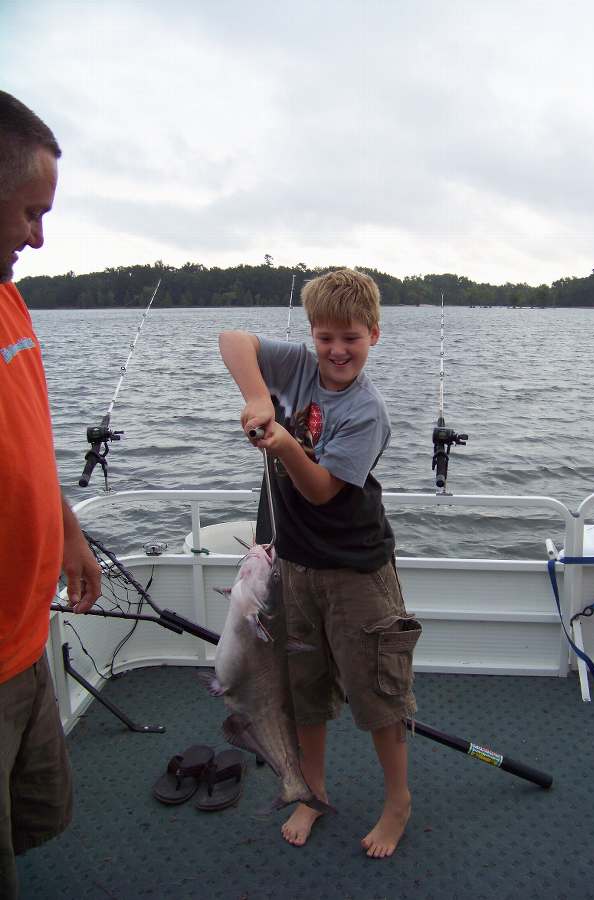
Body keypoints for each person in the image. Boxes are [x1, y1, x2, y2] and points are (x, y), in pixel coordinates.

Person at [219, 268, 421, 858]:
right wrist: (259, 397)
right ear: (312, 334)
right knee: (303, 693)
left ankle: (398, 801)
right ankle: (310, 789)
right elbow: (234, 339)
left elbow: (322, 491)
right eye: (326, 336)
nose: (337, 350)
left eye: (351, 339)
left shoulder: (367, 411)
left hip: (358, 574)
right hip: (296, 569)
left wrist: (283, 443)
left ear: (374, 336)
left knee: (378, 695)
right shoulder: (301, 367)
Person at [0, 90, 101, 899]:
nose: (39, 236)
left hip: (25, 638)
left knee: (31, 820)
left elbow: (29, 443)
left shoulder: (9, 299)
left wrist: (68, 528)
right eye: (29, 212)